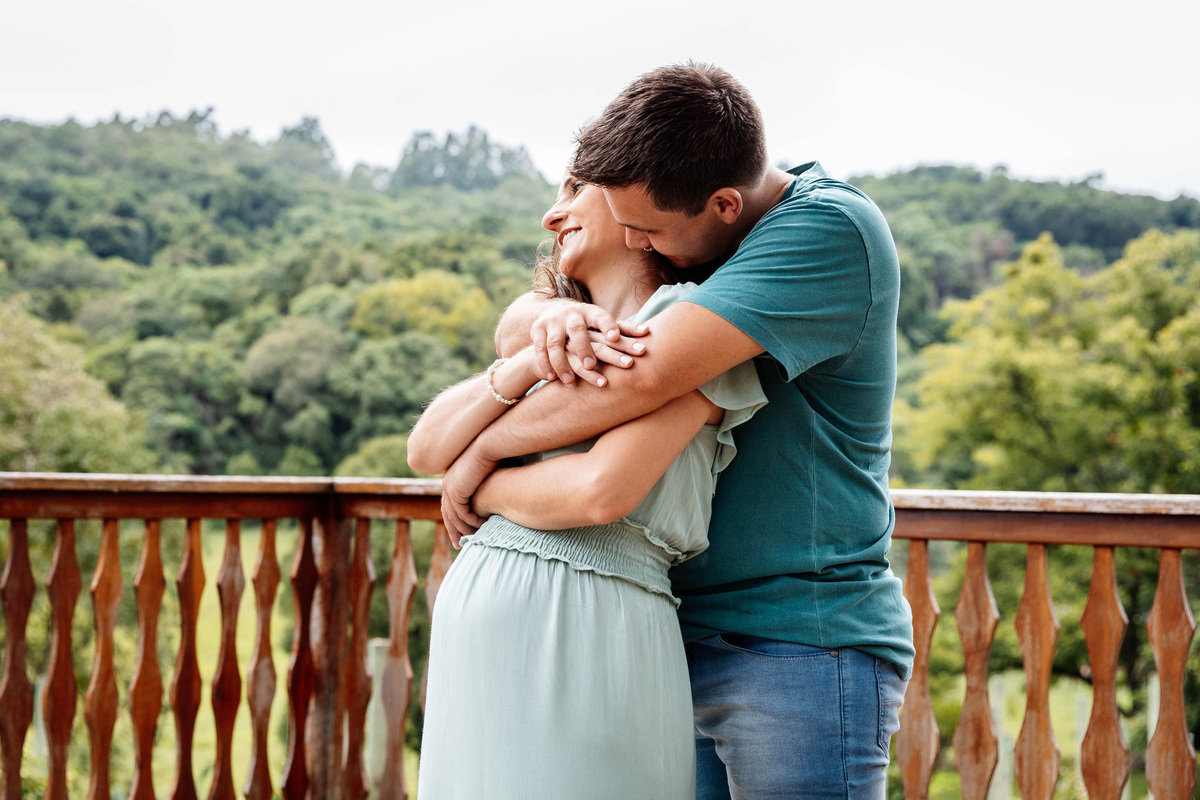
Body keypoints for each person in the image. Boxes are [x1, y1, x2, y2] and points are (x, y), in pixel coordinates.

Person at [439, 62, 916, 798]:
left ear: (723, 204)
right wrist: (548, 316)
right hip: (668, 633)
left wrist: (485, 457)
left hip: (796, 641)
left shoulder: (827, 231)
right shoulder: (699, 243)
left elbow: (641, 376)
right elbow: (529, 323)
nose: (638, 242)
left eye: (647, 228)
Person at [408, 174, 767, 799]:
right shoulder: (551, 334)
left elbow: (600, 491)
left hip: (592, 619)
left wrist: (481, 481)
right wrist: (523, 363)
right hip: (486, 623)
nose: (553, 217)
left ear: (640, 202)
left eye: (574, 191)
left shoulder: (695, 334)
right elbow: (425, 449)